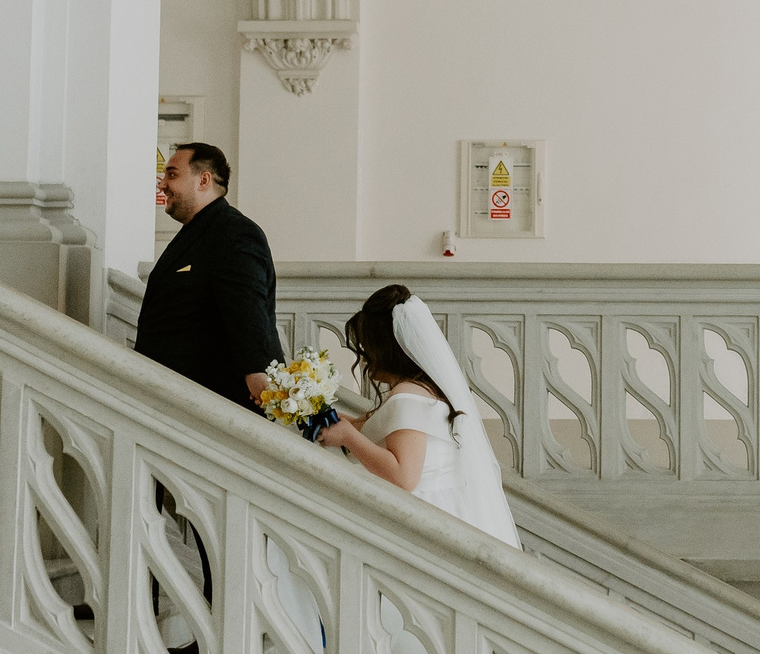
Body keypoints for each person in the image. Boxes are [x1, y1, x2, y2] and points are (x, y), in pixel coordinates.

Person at [316, 284, 521, 548]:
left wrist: (348, 437)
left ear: (384, 350)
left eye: (366, 349)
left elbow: (403, 476)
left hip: (427, 519)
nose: (364, 360)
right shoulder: (424, 390)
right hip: (447, 510)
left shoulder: (406, 397)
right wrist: (353, 426)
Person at [134, 143, 282, 412]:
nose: (162, 184)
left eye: (172, 174)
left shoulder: (234, 232)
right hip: (175, 396)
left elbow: (247, 310)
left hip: (214, 402)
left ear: (204, 180)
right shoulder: (199, 231)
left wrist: (257, 372)